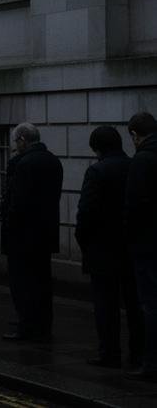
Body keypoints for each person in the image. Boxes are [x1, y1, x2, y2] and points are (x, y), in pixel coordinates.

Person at [75, 125, 143, 369]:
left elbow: (86, 212)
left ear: (97, 148)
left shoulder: (97, 171)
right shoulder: (134, 166)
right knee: (135, 305)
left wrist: (84, 241)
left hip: (102, 249)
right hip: (131, 246)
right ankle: (138, 354)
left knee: (106, 305)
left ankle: (109, 353)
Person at [1, 122, 63, 341]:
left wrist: (9, 225)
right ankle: (44, 326)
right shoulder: (53, 161)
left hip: (23, 235)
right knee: (43, 282)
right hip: (45, 232)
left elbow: (17, 202)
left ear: (22, 140)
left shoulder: (23, 163)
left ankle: (26, 325)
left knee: (22, 283)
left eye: (16, 141)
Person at [126, 111, 157, 380]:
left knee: (150, 305)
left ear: (135, 135)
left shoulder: (142, 160)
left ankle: (151, 363)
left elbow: (133, 207)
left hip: (147, 244)